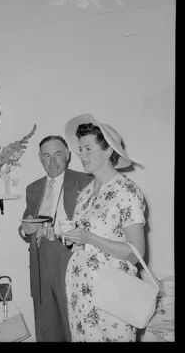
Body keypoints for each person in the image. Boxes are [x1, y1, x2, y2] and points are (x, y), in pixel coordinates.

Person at [63, 113, 146, 342]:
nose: (81, 154)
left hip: (112, 296)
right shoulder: (86, 192)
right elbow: (84, 241)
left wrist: (89, 237)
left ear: (108, 151)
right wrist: (70, 237)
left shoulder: (126, 191)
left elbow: (136, 255)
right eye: (81, 149)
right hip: (81, 290)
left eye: (88, 148)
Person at [18, 135, 93, 342]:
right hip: (40, 258)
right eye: (47, 156)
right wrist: (26, 230)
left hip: (70, 256)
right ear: (40, 158)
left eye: (58, 154)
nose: (52, 161)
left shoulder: (86, 181)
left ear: (67, 155)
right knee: (46, 323)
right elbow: (26, 225)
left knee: (74, 319)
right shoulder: (32, 188)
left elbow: (95, 226)